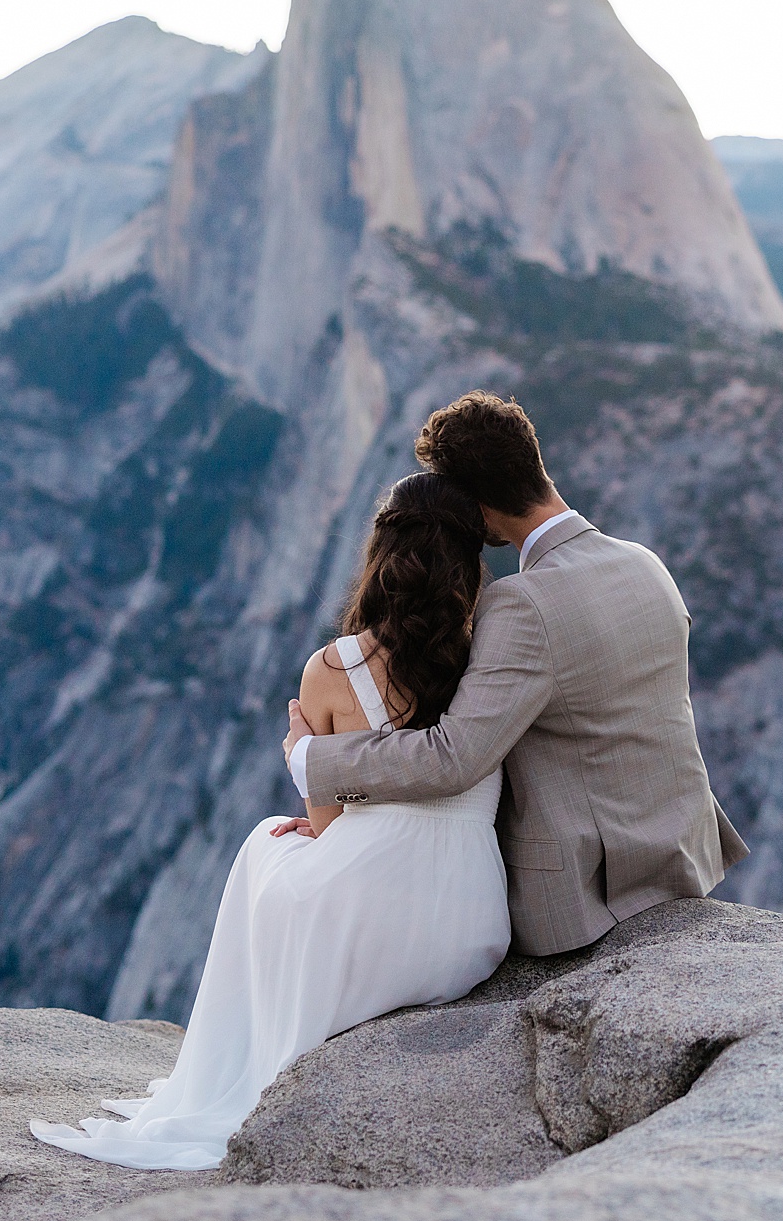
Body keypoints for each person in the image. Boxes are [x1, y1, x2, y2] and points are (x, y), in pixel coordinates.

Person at [29, 470, 509, 1171]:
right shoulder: (497, 657)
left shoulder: (335, 668)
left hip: (375, 937)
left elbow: (330, 820)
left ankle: (229, 1062)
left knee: (265, 843)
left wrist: (303, 761)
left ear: (380, 555)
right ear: (470, 561)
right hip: (473, 929)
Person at [287, 390, 747, 960]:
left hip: (592, 895)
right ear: (533, 462)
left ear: (476, 511)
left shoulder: (522, 605)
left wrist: (312, 761)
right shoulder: (644, 563)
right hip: (681, 856)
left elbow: (453, 758)